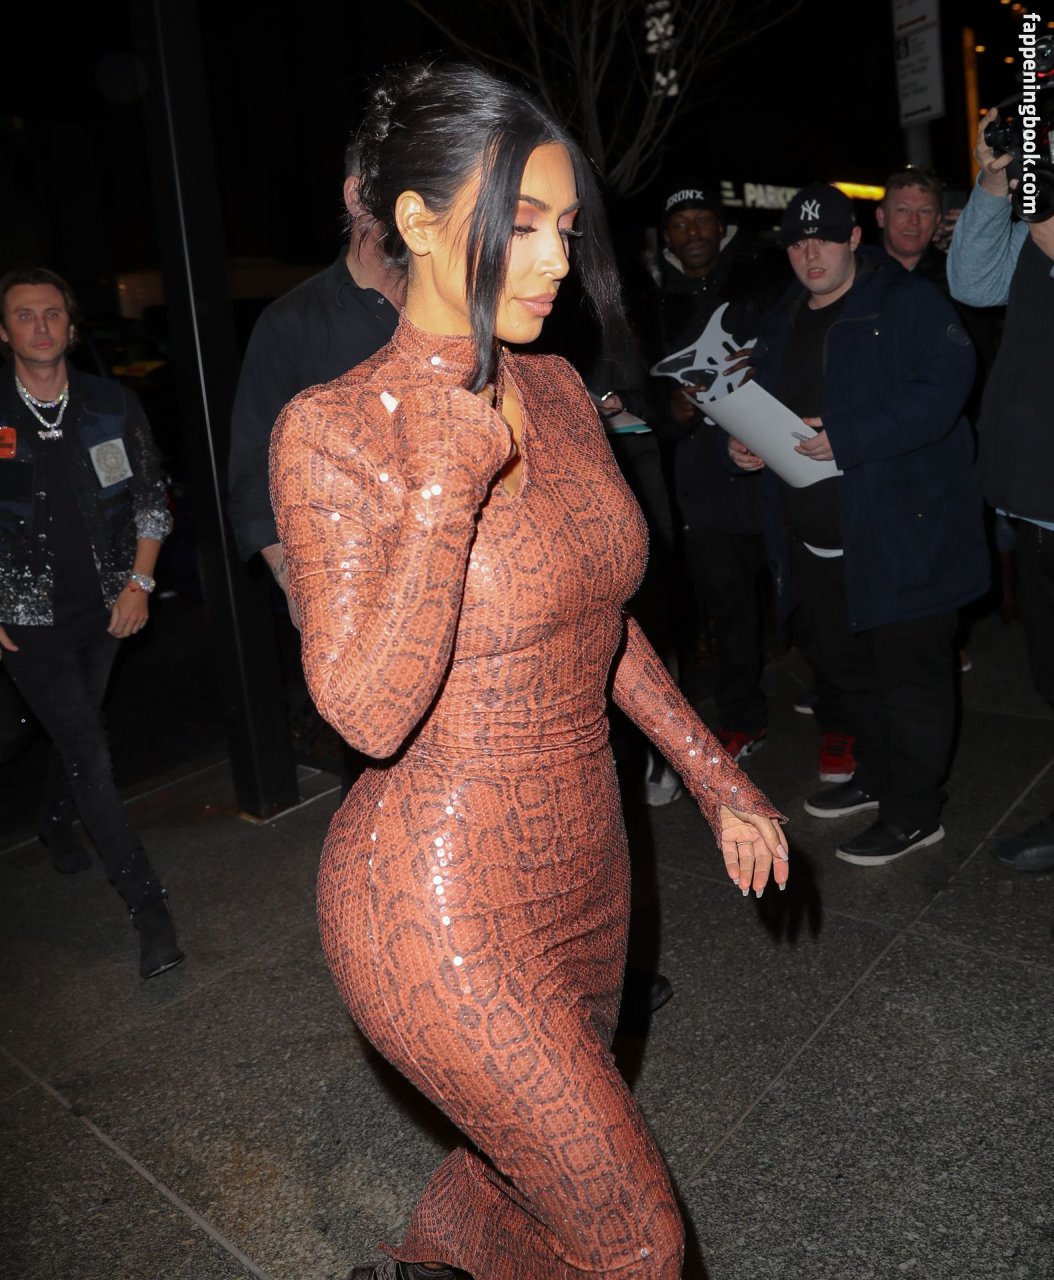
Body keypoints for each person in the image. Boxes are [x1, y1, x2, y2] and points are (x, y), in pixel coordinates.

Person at [270, 61, 788, 1279]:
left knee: (527, 1155)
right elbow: (365, 710)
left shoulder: (555, 386)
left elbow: (600, 623)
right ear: (417, 223)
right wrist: (445, 487)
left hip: (591, 863)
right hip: (434, 895)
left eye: (566, 226)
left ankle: (428, 1260)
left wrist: (715, 778)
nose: (559, 259)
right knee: (639, 1238)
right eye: (525, 225)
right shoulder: (330, 428)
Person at [730, 183, 988, 866]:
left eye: (824, 238)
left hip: (901, 537)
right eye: (797, 242)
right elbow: (768, 406)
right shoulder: (783, 317)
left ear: (853, 239)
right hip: (816, 539)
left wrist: (848, 433)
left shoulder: (907, 303)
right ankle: (878, 777)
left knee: (910, 683)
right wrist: (746, 442)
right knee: (850, 676)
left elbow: (943, 392)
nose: (810, 254)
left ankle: (915, 813)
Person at [0, 267, 182, 979]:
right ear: (4, 331)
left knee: (74, 731)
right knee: (89, 749)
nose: (40, 325)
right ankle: (151, 912)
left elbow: (151, 500)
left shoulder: (110, 402)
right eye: (24, 315)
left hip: (109, 608)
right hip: (26, 619)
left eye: (52, 313)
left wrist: (140, 583)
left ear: (71, 327)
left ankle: (53, 821)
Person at [947, 108, 1054, 874]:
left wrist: (1039, 199)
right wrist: (994, 177)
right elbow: (974, 281)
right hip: (1036, 497)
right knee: (1050, 674)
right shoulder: (1037, 208)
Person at [228, 142, 403, 604]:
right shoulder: (290, 323)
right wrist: (292, 576)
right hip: (354, 586)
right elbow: (252, 460)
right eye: (405, 183)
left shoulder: (456, 308)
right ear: (357, 196)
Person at [648, 184, 785, 764]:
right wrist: (673, 414)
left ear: (721, 227)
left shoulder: (764, 279)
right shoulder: (653, 305)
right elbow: (647, 398)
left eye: (703, 220)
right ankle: (742, 718)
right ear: (667, 237)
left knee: (807, 599)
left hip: (774, 472)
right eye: (681, 224)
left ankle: (840, 711)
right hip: (703, 487)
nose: (694, 232)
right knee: (729, 613)